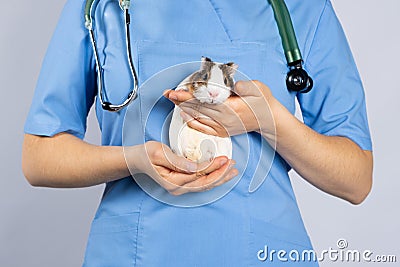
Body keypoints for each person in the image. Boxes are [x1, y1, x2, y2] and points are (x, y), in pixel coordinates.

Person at [22, 0, 373, 266]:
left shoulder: (301, 9)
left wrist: (269, 120)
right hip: (132, 253)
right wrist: (132, 160)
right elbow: (39, 157)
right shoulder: (103, 7)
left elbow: (356, 179)